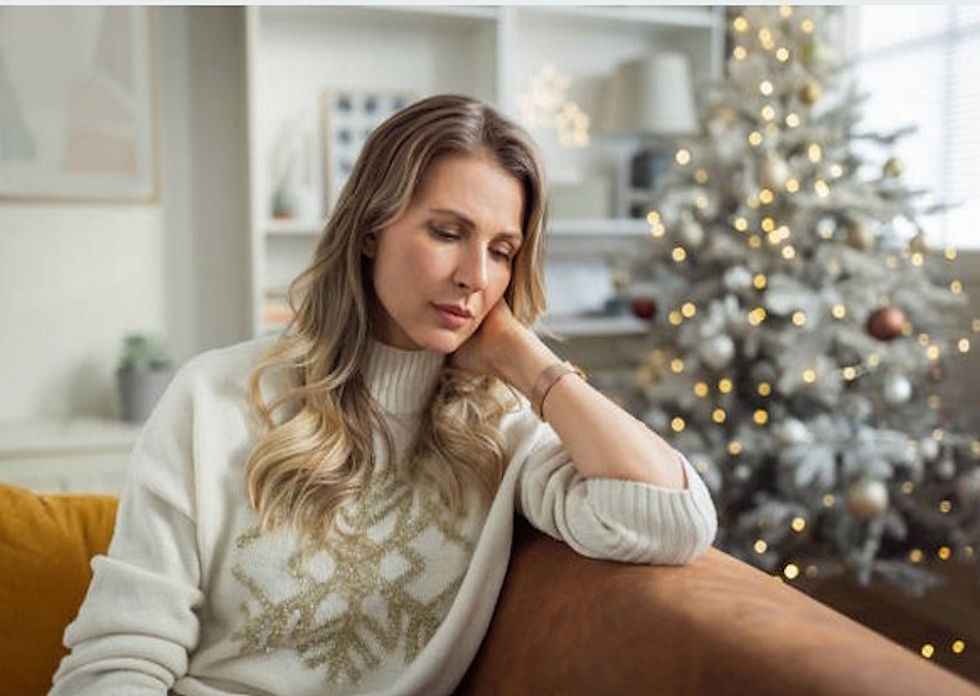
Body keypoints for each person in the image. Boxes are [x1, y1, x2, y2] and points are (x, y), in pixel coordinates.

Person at [51, 94, 717, 696]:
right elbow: (118, 660)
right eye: (447, 233)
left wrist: (527, 360)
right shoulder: (212, 398)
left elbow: (674, 519)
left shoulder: (503, 431)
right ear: (371, 229)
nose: (474, 276)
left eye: (502, 251)